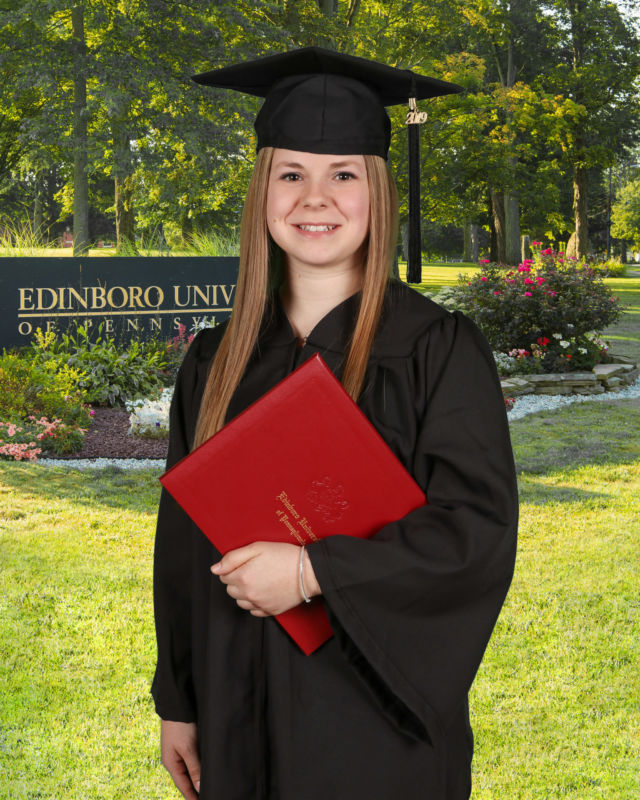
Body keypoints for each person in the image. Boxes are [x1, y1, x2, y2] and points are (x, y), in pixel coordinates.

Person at [152, 47, 518, 800]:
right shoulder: (216, 361)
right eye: (292, 173)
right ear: (262, 191)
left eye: (343, 174)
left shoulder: (435, 350)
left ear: (378, 193)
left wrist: (312, 572)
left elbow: (474, 535)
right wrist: (179, 703)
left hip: (374, 722)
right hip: (235, 704)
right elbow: (183, 553)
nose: (314, 198)